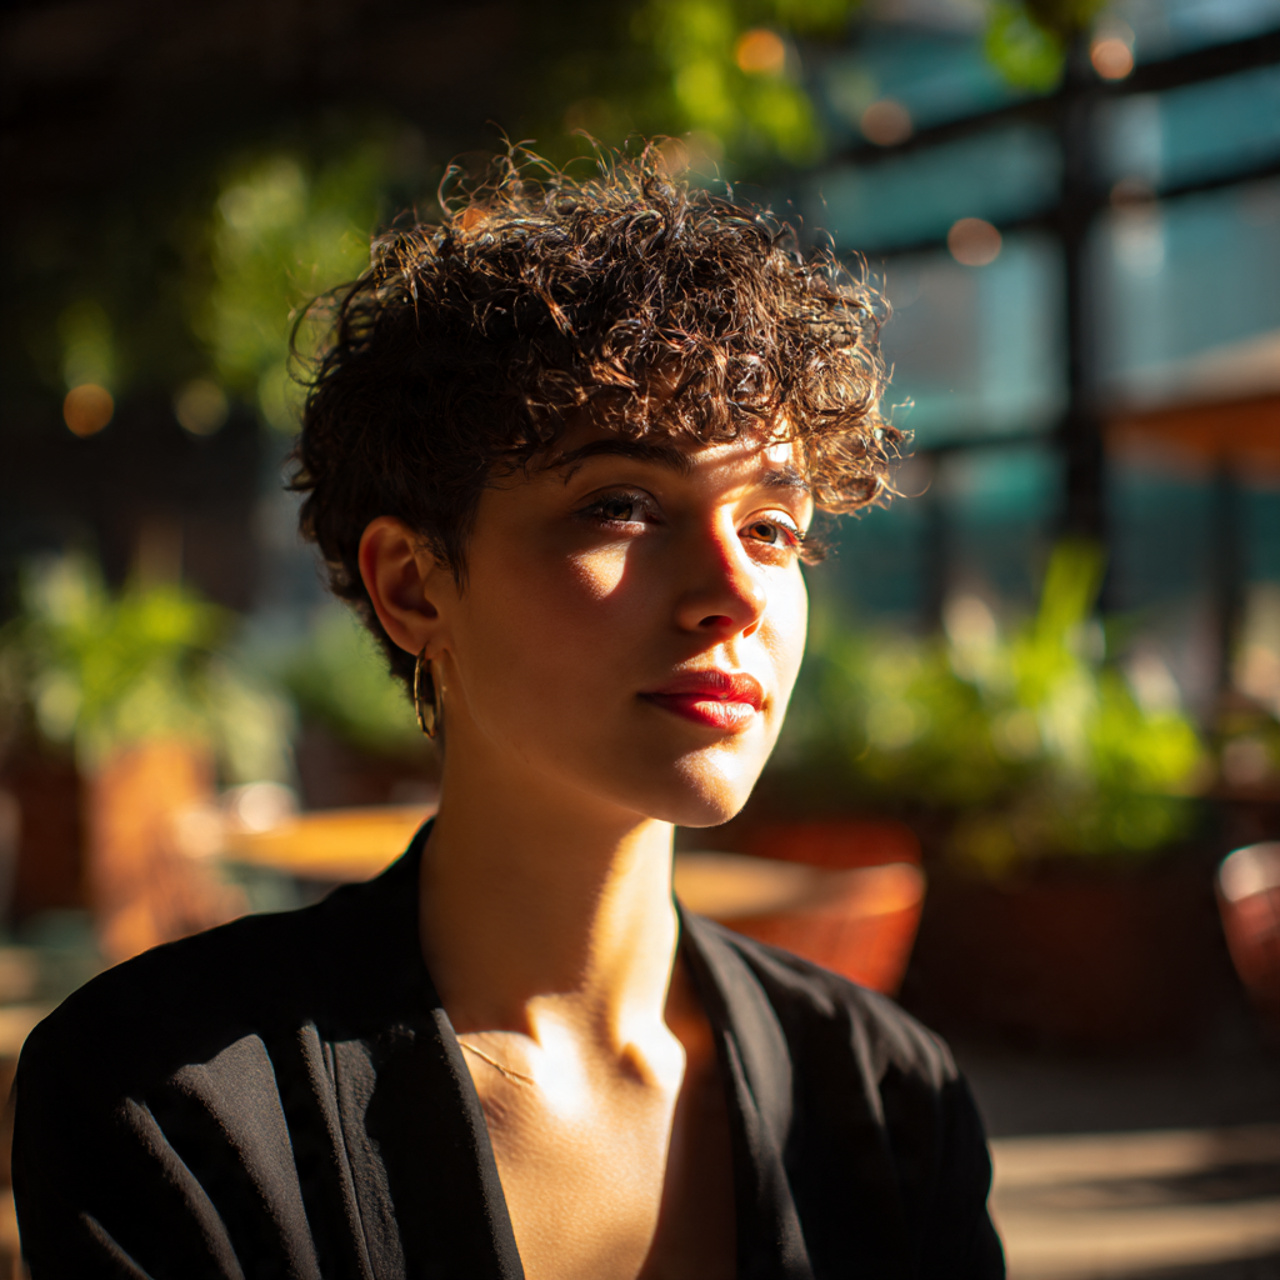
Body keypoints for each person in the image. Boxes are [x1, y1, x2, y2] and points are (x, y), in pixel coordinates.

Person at [11, 149, 1005, 1279]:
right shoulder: (172, 1100)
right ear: (413, 584)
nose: (735, 590)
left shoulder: (890, 1098)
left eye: (772, 525)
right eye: (622, 505)